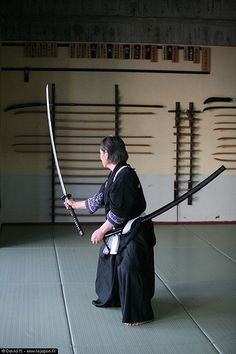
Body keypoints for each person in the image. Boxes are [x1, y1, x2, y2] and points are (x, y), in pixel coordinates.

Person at [64, 135, 156, 326]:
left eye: (100, 152)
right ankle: (115, 298)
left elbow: (118, 213)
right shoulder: (115, 175)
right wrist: (74, 204)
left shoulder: (125, 176)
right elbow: (98, 200)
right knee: (108, 261)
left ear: (106, 154)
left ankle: (137, 315)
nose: (99, 156)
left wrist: (101, 231)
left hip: (135, 232)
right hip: (123, 230)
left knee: (129, 268)